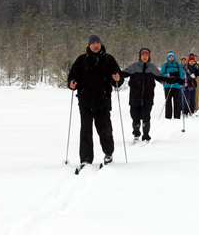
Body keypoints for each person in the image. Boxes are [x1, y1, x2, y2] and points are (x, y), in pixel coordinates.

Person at [68, 33, 122, 167]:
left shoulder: (108, 59)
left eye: (97, 42)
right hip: (85, 101)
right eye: (93, 43)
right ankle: (86, 159)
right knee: (86, 131)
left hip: (103, 101)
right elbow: (72, 76)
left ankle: (108, 154)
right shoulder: (81, 60)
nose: (96, 45)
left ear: (101, 44)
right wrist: (72, 83)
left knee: (105, 130)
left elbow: (118, 76)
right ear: (89, 45)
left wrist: (117, 78)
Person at [119, 48, 173, 143]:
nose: (145, 57)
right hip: (135, 97)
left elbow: (161, 78)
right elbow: (122, 74)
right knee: (134, 116)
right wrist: (116, 76)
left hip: (148, 97)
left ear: (149, 57)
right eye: (143, 55)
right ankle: (136, 133)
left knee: (146, 116)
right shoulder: (133, 67)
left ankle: (146, 135)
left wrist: (172, 80)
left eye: (146, 55)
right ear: (140, 56)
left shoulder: (152, 68)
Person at [161, 51, 185, 119]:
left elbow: (182, 73)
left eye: (172, 57)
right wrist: (169, 75)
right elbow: (161, 75)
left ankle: (177, 116)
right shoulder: (165, 65)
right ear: (167, 58)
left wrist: (179, 77)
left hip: (176, 86)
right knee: (168, 102)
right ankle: (168, 116)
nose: (171, 58)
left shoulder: (178, 65)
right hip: (167, 86)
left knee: (177, 102)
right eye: (169, 57)